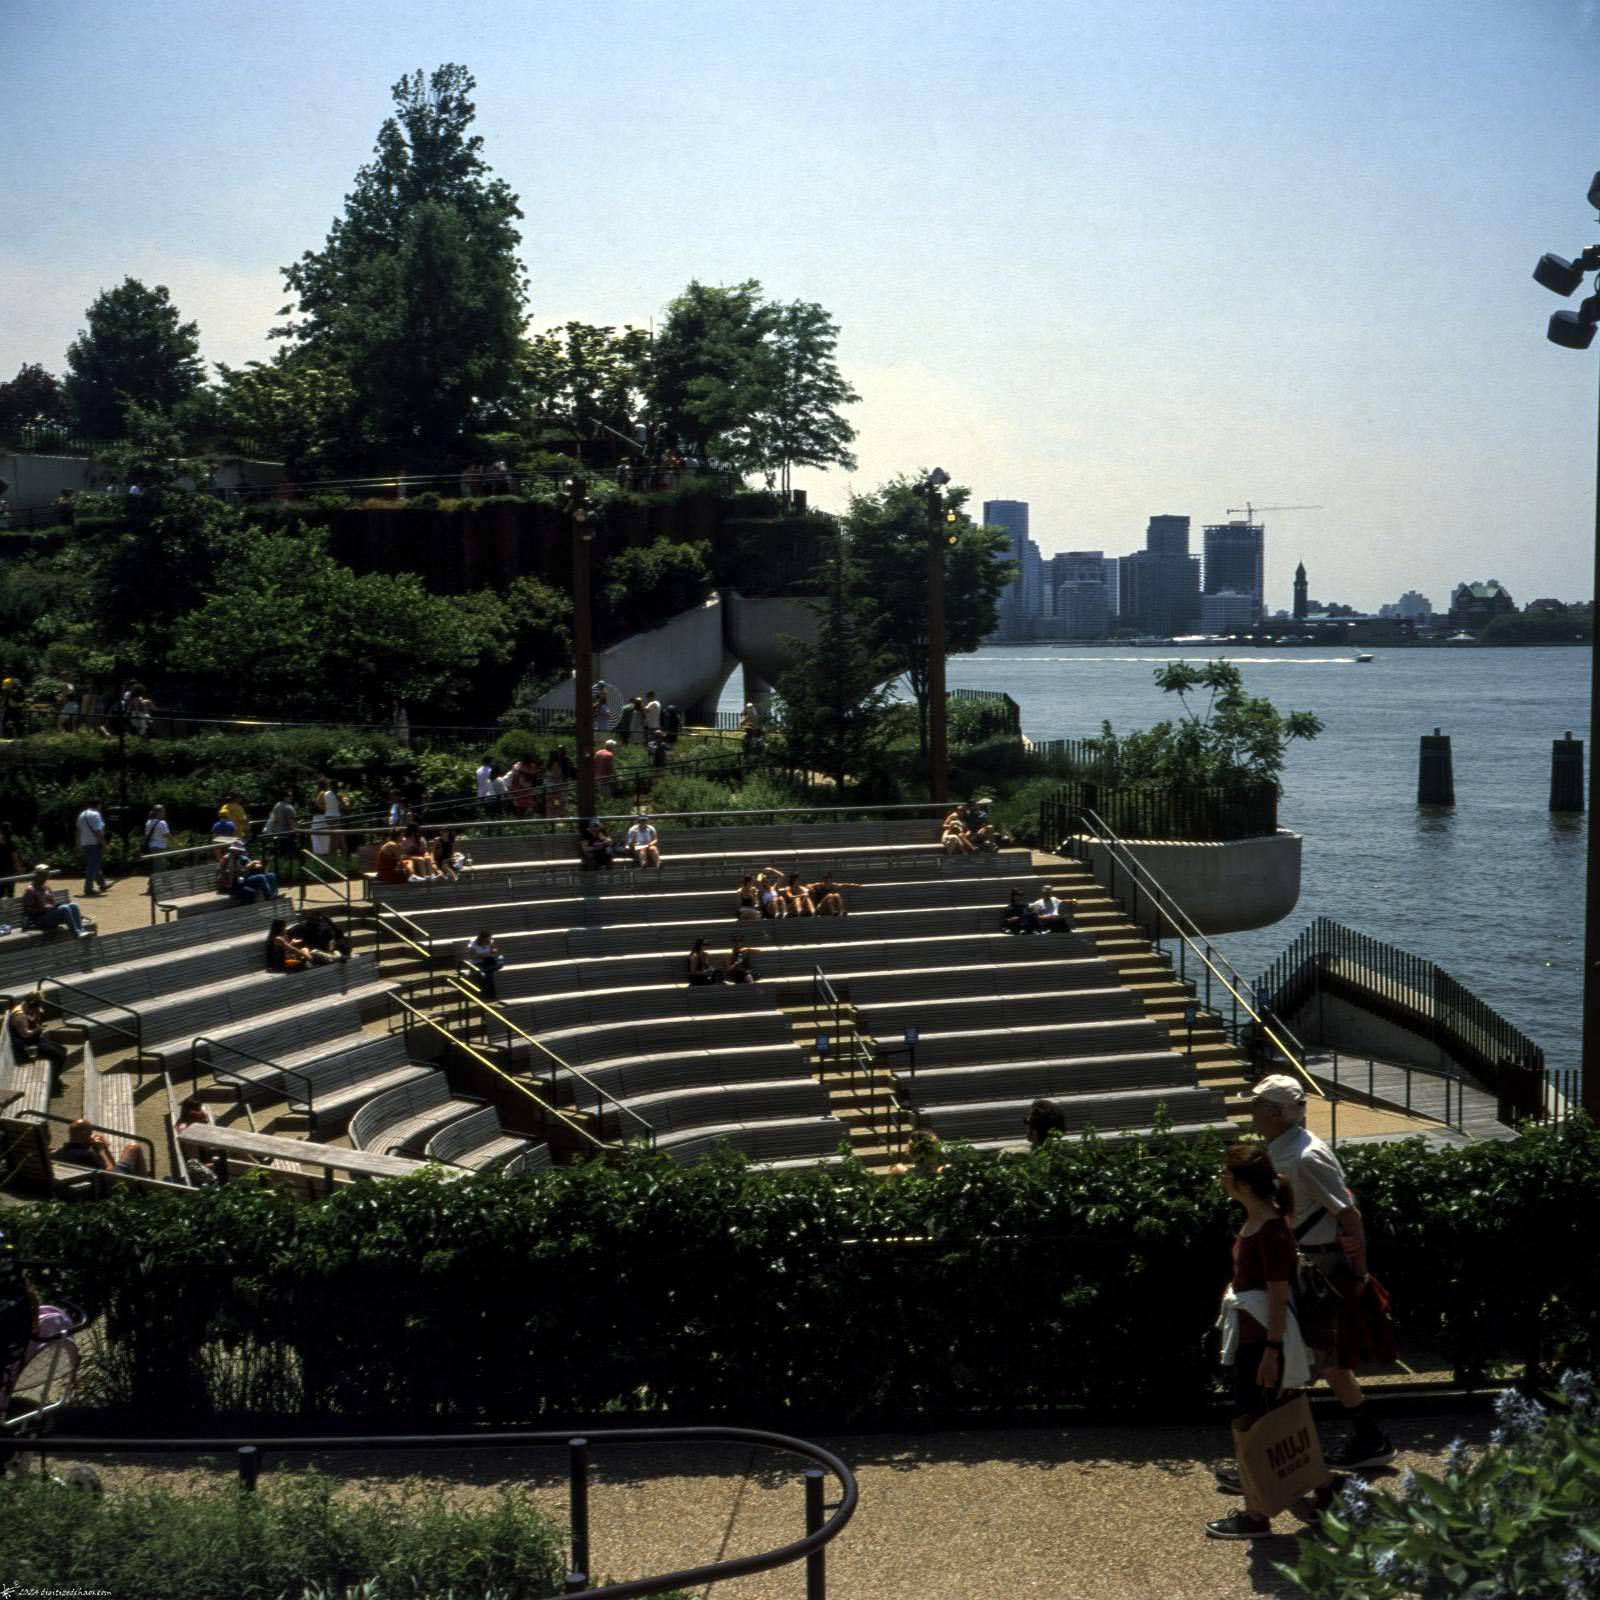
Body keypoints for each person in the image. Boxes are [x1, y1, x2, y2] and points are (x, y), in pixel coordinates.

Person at [1244, 1075, 1398, 1471]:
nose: (1251, 1111)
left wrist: (1360, 1275)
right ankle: (1368, 1438)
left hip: (1314, 1267)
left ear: (1273, 1112)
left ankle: (1268, 1458)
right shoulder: (1291, 1147)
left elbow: (1349, 1215)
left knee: (1297, 1355)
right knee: (1325, 1360)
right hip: (1308, 1261)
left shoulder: (1304, 1156)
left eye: (1256, 1105)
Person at [1205, 1142, 1318, 1540]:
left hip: (1262, 1341)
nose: (1220, 1178)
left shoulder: (1270, 1230)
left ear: (1244, 1185)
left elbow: (1278, 1294)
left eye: (1225, 1173)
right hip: (1254, 1336)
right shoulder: (1259, 1221)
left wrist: (1271, 1352)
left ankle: (1257, 1517)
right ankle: (1321, 1494)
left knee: (1253, 1424)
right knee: (1262, 1420)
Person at [20, 865, 92, 936]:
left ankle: (82, 931)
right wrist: (43, 909)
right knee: (65, 908)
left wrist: (54, 906)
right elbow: (27, 910)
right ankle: (76, 934)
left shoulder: (47, 888)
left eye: (47, 875)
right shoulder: (30, 890)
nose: (46, 878)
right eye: (43, 875)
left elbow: (52, 904)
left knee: (74, 906)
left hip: (50, 916)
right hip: (40, 920)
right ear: (37, 875)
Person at [9, 993, 67, 1071]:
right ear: (32, 1005)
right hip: (28, 1045)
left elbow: (33, 1021)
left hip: (35, 1040)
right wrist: (38, 1029)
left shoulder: (23, 1007)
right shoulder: (20, 1016)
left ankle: (55, 1073)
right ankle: (54, 1076)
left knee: (63, 1050)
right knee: (60, 1056)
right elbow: (26, 1034)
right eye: (36, 1006)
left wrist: (38, 1013)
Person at [51, 1118, 116, 1174]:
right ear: (85, 1134)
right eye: (91, 1133)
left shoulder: (57, 1154)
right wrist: (102, 1150)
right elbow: (111, 1174)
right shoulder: (87, 1155)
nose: (92, 1136)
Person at [75, 797, 109, 897]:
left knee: (94, 864)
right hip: (94, 843)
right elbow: (97, 831)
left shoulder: (81, 815)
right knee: (93, 866)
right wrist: (104, 844)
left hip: (85, 843)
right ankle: (88, 889)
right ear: (98, 805)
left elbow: (78, 831)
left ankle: (102, 884)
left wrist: (78, 844)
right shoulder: (95, 815)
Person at [464, 930, 503, 1000]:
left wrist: (494, 952)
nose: (490, 940)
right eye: (488, 938)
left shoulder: (490, 942)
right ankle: (488, 995)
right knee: (487, 975)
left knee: (491, 971)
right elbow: (472, 956)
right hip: (476, 963)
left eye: (490, 938)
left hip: (488, 961)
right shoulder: (472, 944)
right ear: (482, 938)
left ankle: (490, 995)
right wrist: (484, 955)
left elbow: (494, 950)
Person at [263, 790, 297, 869]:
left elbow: (272, 819)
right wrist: (296, 831)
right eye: (290, 796)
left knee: (280, 853)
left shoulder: (276, 806)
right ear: (285, 797)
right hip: (288, 833)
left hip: (278, 833)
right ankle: (289, 869)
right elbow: (292, 822)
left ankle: (280, 868)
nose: (292, 797)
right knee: (290, 853)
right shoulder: (289, 807)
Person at [309, 777, 340, 857]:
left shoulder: (318, 795)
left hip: (319, 817)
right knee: (325, 837)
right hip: (325, 817)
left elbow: (315, 808)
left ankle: (321, 855)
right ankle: (326, 854)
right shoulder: (328, 794)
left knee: (318, 837)